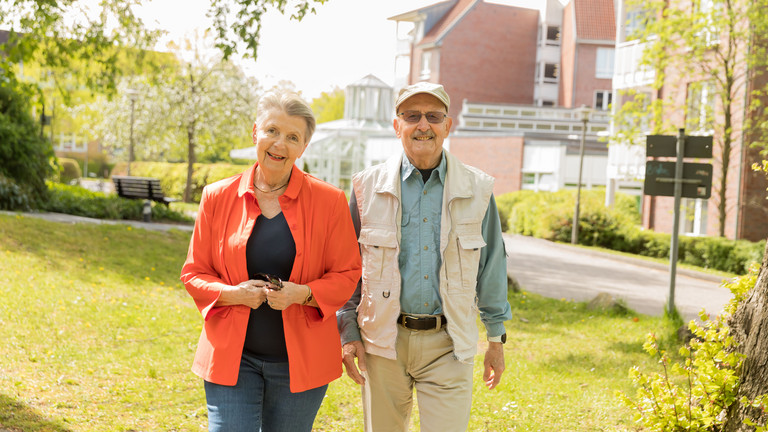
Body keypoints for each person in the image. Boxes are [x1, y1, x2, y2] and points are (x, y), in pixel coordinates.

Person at [180, 90, 362, 432]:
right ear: (255, 133)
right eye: (272, 131)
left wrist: (302, 294)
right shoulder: (216, 197)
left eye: (293, 137)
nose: (280, 144)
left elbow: (347, 273)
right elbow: (194, 273)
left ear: (303, 146)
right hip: (232, 359)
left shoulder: (330, 201)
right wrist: (234, 294)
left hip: (301, 364)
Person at [337, 81, 513, 432]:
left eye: (433, 116)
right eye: (412, 116)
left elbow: (492, 265)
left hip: (450, 342)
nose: (423, 125)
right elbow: (348, 267)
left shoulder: (477, 189)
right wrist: (348, 330)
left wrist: (495, 338)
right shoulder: (365, 187)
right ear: (396, 125)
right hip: (382, 341)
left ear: (448, 126)